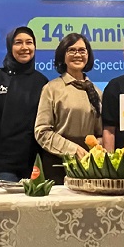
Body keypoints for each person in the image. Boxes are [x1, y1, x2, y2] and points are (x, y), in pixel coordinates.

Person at [0, 26, 48, 191]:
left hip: (33, 168)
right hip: (1, 169)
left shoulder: (42, 82)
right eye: (18, 42)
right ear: (9, 46)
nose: (24, 47)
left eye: (29, 42)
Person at [34, 33, 102, 184]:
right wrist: (73, 150)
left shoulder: (96, 92)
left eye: (82, 50)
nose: (77, 55)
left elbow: (101, 132)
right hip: (57, 165)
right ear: (62, 56)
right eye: (71, 50)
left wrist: (97, 149)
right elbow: (42, 132)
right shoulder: (51, 89)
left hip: (89, 167)